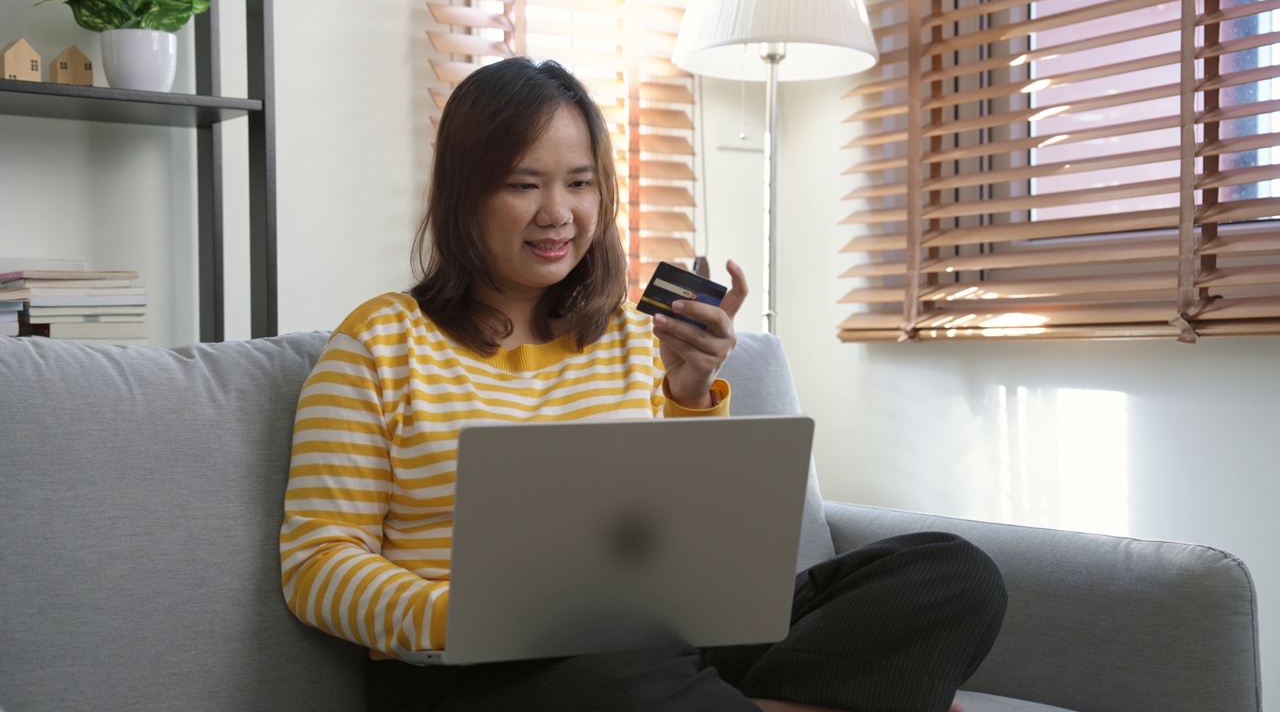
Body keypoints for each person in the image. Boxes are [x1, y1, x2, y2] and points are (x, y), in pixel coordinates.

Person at [279, 57, 1007, 712]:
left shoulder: (632, 336)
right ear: (464, 193)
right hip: (474, 672)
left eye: (580, 182)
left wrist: (690, 393)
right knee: (610, 672)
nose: (557, 213)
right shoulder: (379, 343)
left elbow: (689, 547)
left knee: (950, 574)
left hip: (651, 645)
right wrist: (464, 617)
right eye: (523, 184)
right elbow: (317, 562)